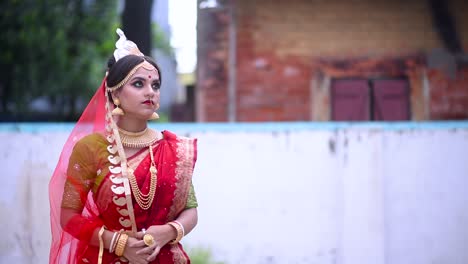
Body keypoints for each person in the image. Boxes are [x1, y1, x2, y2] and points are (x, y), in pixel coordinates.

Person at [49, 28, 199, 264]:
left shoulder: (174, 149)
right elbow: (68, 216)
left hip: (165, 257)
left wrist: (169, 232)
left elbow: (191, 209)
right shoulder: (91, 148)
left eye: (156, 85)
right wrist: (119, 244)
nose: (151, 92)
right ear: (115, 92)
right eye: (138, 84)